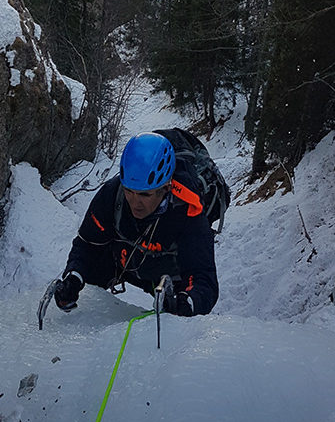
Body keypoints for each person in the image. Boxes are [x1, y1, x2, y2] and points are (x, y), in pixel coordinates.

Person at [54, 131, 219, 317]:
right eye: (129, 191)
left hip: (169, 278)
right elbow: (88, 244)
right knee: (88, 270)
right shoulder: (112, 194)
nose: (135, 202)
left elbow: (203, 277)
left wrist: (188, 302)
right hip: (124, 262)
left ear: (166, 188)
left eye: (145, 194)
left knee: (179, 314)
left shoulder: (188, 212)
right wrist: (74, 276)